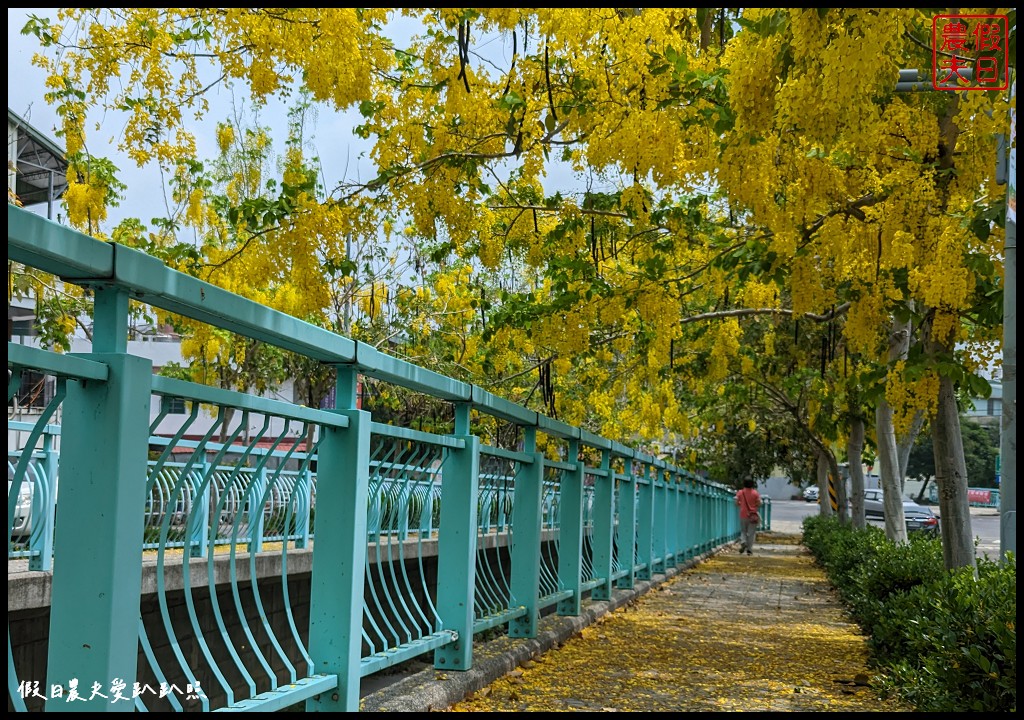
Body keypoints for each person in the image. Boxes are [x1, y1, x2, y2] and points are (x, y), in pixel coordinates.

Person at [735, 478, 762, 555]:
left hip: (743, 514)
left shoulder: (740, 492)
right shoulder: (755, 493)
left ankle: (743, 542)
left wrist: (741, 504)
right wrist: (754, 506)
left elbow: (736, 502)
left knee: (743, 530)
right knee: (751, 533)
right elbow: (759, 503)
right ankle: (749, 549)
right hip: (753, 515)